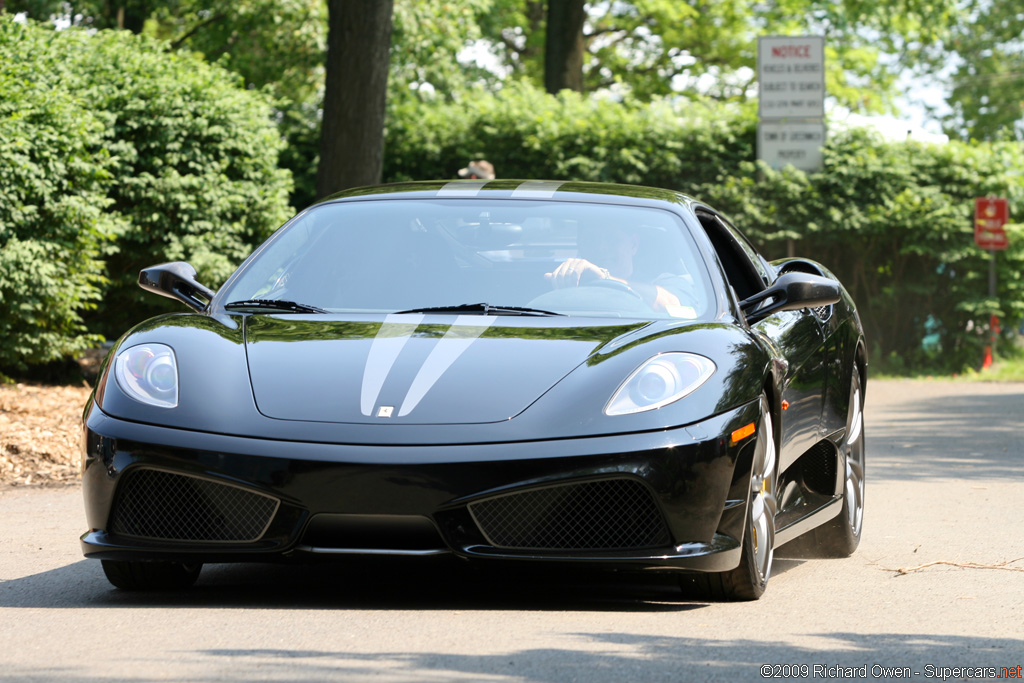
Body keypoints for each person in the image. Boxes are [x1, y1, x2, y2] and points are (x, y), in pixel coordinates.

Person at [545, 224, 696, 315]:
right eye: (592, 239)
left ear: (633, 244)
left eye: (612, 239)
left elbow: (675, 307)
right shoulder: (559, 280)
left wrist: (604, 278)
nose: (601, 248)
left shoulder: (663, 282)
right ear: (581, 245)